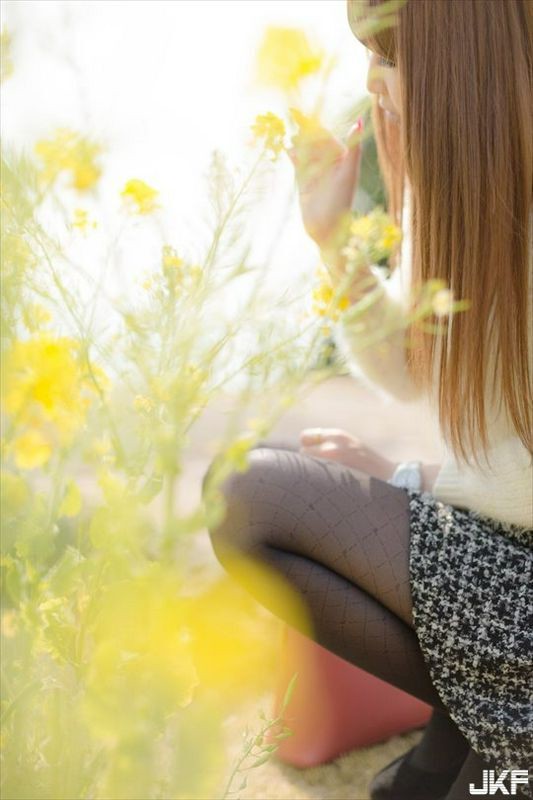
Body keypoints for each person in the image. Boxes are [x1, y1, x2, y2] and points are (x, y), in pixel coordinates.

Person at [204, 1, 533, 798]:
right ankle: (485, 728)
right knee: (247, 493)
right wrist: (333, 241)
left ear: (464, 60)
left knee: (248, 492)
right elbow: (412, 367)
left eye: (388, 56)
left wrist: (408, 480)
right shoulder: (455, 189)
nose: (370, 81)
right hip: (506, 570)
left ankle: (495, 737)